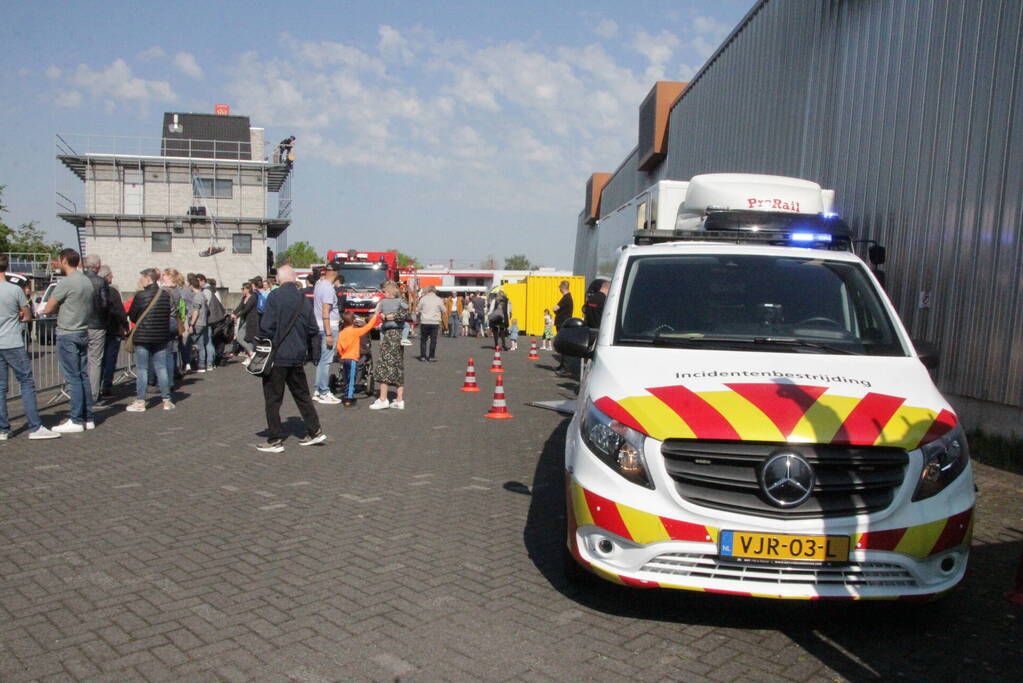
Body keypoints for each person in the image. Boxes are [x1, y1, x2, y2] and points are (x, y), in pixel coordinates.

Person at [257, 265, 325, 452]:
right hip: (297, 355)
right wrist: (313, 353)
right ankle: (315, 430)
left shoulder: (275, 297)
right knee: (302, 395)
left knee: (273, 399)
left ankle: (275, 439)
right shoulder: (303, 298)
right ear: (294, 279)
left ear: (278, 280)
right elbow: (313, 328)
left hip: (278, 355)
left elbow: (267, 326)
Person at [0, 254, 60, 440]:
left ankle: (3, 428)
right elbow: (27, 316)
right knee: (26, 382)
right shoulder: (14, 290)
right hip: (12, 341)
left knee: (1, 387)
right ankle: (35, 426)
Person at [42, 248, 96, 432]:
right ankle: (88, 417)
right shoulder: (86, 281)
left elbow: (48, 308)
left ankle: (75, 419)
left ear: (64, 260)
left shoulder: (66, 282)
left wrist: (44, 311)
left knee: (73, 377)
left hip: (68, 332)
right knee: (82, 375)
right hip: (82, 330)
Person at [126, 268, 175, 412]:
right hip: (160, 336)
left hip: (142, 336)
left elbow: (133, 315)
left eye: (142, 278)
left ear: (148, 279)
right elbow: (167, 314)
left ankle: (141, 401)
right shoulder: (165, 295)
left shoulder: (140, 295)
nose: (141, 280)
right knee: (161, 367)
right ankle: (167, 400)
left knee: (142, 369)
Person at [370, 280, 409, 409]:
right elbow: (405, 315)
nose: (383, 293)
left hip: (390, 336)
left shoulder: (383, 303)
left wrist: (386, 317)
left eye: (385, 291)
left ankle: (383, 399)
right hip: (398, 336)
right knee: (398, 366)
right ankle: (399, 399)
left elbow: (378, 316)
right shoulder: (402, 302)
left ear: (390, 292)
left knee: (385, 365)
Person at [81, 254, 110, 402]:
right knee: (96, 361)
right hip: (97, 324)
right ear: (98, 266)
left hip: (80, 324)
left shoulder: (79, 280)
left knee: (81, 359)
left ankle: (80, 391)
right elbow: (105, 304)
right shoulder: (101, 282)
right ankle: (93, 394)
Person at [312, 262, 341, 404]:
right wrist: (329, 333)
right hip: (328, 327)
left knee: (322, 360)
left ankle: (318, 390)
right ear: (335, 273)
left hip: (319, 325)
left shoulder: (319, 284)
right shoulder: (329, 288)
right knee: (326, 360)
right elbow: (326, 311)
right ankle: (323, 391)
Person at [336, 310, 379, 406]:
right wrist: (375, 316)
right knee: (352, 378)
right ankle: (349, 398)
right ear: (354, 321)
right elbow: (368, 327)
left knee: (346, 377)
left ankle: (346, 393)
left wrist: (342, 355)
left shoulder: (342, 332)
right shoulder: (356, 331)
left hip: (344, 358)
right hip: (353, 358)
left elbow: (339, 347)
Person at [99, 266, 128, 397]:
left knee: (97, 360)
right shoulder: (112, 292)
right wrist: (125, 325)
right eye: (110, 275)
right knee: (110, 359)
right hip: (112, 329)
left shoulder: (93, 290)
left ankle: (95, 386)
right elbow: (120, 311)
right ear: (105, 276)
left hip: (97, 328)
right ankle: (106, 386)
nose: (112, 277)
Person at [185, 274, 211, 372]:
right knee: (201, 345)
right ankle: (201, 366)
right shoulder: (203, 295)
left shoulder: (197, 297)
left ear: (191, 285)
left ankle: (188, 364)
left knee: (188, 343)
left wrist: (191, 324)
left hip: (197, 324)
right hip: (203, 322)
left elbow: (196, 311)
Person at [231, 282, 257, 365]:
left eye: (243, 289)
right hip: (245, 320)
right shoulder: (244, 297)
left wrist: (237, 315)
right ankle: (250, 356)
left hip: (252, 321)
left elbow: (247, 309)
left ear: (248, 289)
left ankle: (251, 353)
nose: (242, 290)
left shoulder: (253, 297)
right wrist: (234, 313)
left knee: (240, 337)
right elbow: (240, 306)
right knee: (245, 338)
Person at [416, 285, 444, 362]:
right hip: (435, 322)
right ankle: (431, 356)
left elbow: (417, 309)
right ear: (435, 291)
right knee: (433, 340)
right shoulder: (439, 299)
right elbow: (443, 310)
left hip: (425, 321)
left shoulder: (423, 299)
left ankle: (423, 356)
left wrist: (422, 312)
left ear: (428, 291)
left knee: (423, 339)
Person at [552, 280, 574, 372]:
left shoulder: (566, 298)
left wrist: (555, 311)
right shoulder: (567, 297)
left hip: (563, 324)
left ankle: (565, 367)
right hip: (563, 323)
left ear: (562, 287)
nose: (559, 289)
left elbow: (555, 308)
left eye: (559, 288)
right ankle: (562, 365)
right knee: (562, 346)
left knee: (563, 345)